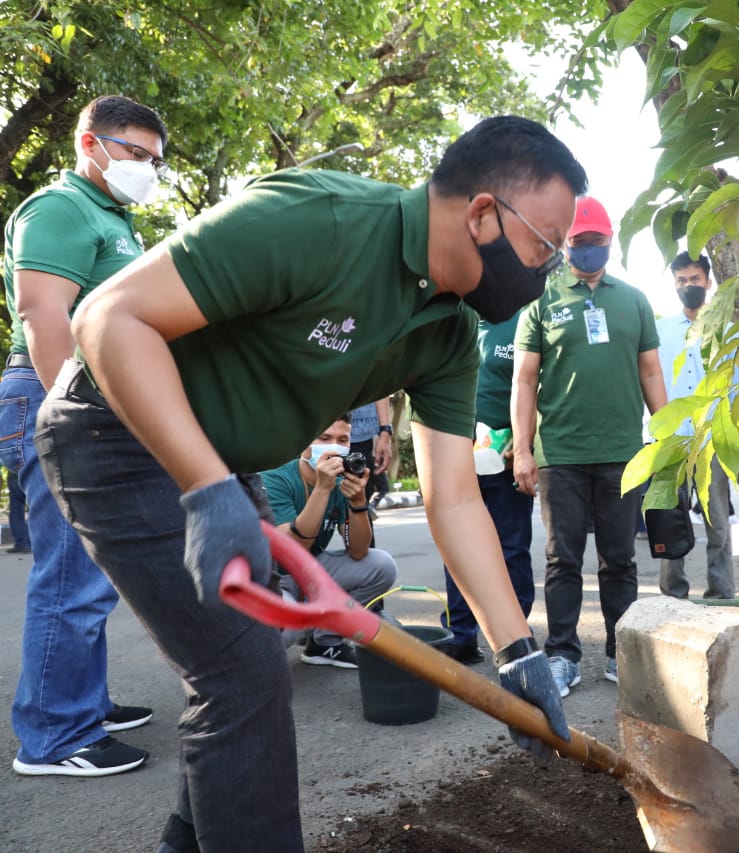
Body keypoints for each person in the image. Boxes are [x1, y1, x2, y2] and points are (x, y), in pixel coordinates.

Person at [37, 115, 587, 852]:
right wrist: (207, 489)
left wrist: (516, 648)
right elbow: (107, 317)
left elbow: (453, 495)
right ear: (483, 212)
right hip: (110, 430)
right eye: (542, 247)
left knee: (241, 671)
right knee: (242, 675)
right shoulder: (317, 221)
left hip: (218, 461)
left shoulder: (446, 333)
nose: (546, 270)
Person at [2, 95, 163, 778]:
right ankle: (53, 734)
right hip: (56, 393)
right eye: (135, 153)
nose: (148, 169)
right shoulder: (60, 209)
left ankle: (82, 701)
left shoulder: (111, 217)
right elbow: (44, 315)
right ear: (90, 144)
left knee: (91, 567)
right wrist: (77, 410)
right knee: (70, 570)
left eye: (156, 159)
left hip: (89, 398)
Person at [512, 196, 668, 697]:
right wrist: (522, 448)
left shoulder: (634, 300)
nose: (587, 251)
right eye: (578, 243)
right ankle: (562, 656)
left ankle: (621, 655)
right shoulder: (541, 301)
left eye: (596, 242)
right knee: (563, 561)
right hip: (562, 453)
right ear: (565, 244)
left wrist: (664, 434)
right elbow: (524, 380)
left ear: (610, 241)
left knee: (620, 561)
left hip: (624, 453)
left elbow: (650, 371)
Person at [260, 415, 397, 668]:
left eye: (342, 440)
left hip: (311, 572)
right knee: (284, 629)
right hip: (273, 578)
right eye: (324, 438)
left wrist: (358, 505)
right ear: (304, 443)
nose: (334, 447)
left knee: (381, 565)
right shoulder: (275, 477)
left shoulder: (341, 482)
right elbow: (291, 552)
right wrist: (322, 490)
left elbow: (357, 551)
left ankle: (325, 642)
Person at [440, 313, 536, 664]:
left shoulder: (521, 322)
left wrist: (525, 444)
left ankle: (515, 636)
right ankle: (460, 634)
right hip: (455, 456)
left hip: (505, 457)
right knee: (458, 548)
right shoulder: (452, 322)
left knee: (511, 548)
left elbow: (533, 386)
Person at [654, 251, 739, 600]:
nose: (688, 286)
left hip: (714, 441)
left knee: (718, 524)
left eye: (694, 279)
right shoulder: (660, 331)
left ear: (708, 282)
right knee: (668, 521)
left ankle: (721, 595)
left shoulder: (727, 333)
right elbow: (648, 381)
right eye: (681, 281)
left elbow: (738, 390)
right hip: (671, 442)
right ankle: (672, 596)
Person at [347, 398, 394, 508]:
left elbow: (381, 388)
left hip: (364, 435)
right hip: (323, 428)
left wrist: (385, 432)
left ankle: (367, 509)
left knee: (361, 499)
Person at [6, 471, 30, 554]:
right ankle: (28, 544)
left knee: (16, 511)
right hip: (30, 473)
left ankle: (20, 543)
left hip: (13, 475)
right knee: (34, 509)